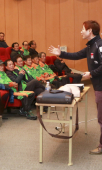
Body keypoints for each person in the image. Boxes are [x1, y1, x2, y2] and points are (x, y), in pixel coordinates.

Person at [49, 20, 102, 154]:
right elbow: (76, 55)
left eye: (83, 29)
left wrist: (91, 73)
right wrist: (60, 53)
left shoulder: (99, 45)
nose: (80, 31)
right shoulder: (91, 45)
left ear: (90, 31)